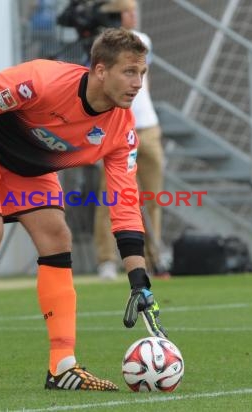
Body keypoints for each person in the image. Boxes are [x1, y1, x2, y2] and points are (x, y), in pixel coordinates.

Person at [0, 28, 167, 391]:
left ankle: (62, 366)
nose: (137, 83)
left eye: (142, 74)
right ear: (100, 70)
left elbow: (124, 202)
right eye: (129, 72)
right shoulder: (43, 79)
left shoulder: (122, 130)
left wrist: (139, 278)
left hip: (30, 166)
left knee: (56, 237)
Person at [93, 0, 165, 280]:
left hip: (147, 126)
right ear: (114, 14)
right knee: (110, 196)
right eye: (126, 11)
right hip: (116, 129)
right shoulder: (104, 49)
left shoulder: (142, 40)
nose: (132, 16)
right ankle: (107, 260)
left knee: (152, 196)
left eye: (135, 11)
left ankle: (152, 257)